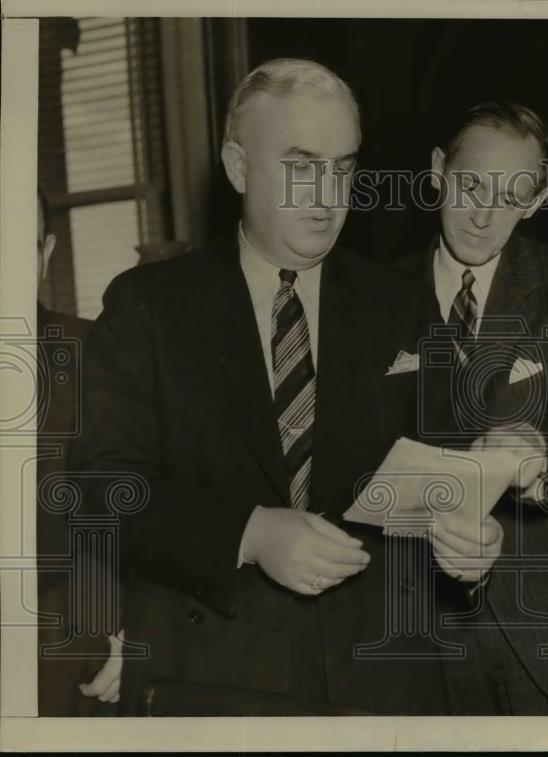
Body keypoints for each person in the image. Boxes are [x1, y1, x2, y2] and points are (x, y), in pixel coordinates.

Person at [72, 58, 450, 715]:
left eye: (343, 167)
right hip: (214, 673)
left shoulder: (402, 305)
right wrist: (245, 533)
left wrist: (470, 526)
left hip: (380, 678)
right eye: (302, 166)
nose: (328, 196)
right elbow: (102, 488)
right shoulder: (149, 306)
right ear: (239, 166)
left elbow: (446, 466)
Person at [397, 102, 548, 715]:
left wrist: (541, 452)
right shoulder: (375, 295)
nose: (483, 213)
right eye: (470, 184)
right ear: (439, 170)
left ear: (537, 199)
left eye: (511, 192)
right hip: (423, 640)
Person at [35, 189, 124, 715]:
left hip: (73, 656)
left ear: (45, 255)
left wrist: (128, 633)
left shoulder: (103, 356)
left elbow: (145, 508)